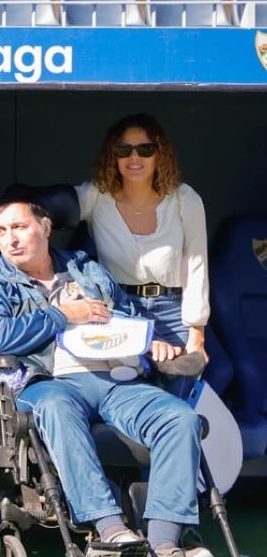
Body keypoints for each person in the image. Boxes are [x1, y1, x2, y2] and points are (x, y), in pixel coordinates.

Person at [0, 194, 211, 557]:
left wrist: (151, 342)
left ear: (45, 228)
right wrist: (63, 316)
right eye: (1, 231)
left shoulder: (84, 266)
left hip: (114, 378)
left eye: (19, 227)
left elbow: (127, 313)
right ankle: (111, 530)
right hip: (48, 381)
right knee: (56, 408)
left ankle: (165, 547)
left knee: (179, 417)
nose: (10, 239)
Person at [75, 114, 218, 385]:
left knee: (179, 388)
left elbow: (197, 267)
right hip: (120, 310)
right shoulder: (96, 196)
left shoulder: (184, 199)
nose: (134, 157)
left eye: (145, 149)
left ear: (159, 154)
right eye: (124, 149)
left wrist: (197, 335)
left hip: (173, 310)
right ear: (113, 155)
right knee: (128, 391)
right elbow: (41, 214)